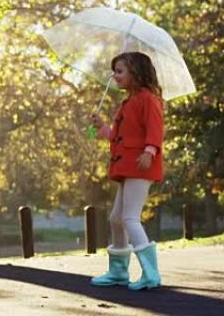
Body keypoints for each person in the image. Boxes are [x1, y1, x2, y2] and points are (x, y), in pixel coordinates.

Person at [90, 51, 163, 291]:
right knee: (116, 219)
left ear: (136, 73)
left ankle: (151, 274)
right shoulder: (127, 103)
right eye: (115, 71)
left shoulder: (147, 99)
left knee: (130, 217)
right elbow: (119, 137)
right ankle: (118, 272)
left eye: (120, 71)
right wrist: (102, 127)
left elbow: (155, 128)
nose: (115, 76)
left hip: (140, 164)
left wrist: (150, 151)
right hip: (126, 165)